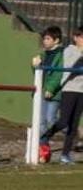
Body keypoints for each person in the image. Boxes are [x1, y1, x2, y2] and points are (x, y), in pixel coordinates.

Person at [41, 26, 83, 164]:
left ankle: (65, 155)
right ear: (75, 38)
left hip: (81, 91)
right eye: (81, 37)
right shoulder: (69, 50)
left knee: (73, 125)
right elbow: (71, 66)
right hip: (69, 89)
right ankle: (46, 135)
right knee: (63, 121)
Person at [32, 25, 64, 162]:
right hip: (40, 93)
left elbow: (59, 73)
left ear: (56, 40)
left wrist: (51, 88)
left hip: (53, 94)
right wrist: (34, 66)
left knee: (51, 121)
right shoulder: (43, 54)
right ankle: (44, 152)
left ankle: (67, 125)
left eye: (47, 38)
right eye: (44, 38)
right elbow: (38, 75)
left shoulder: (61, 54)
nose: (44, 41)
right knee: (41, 123)